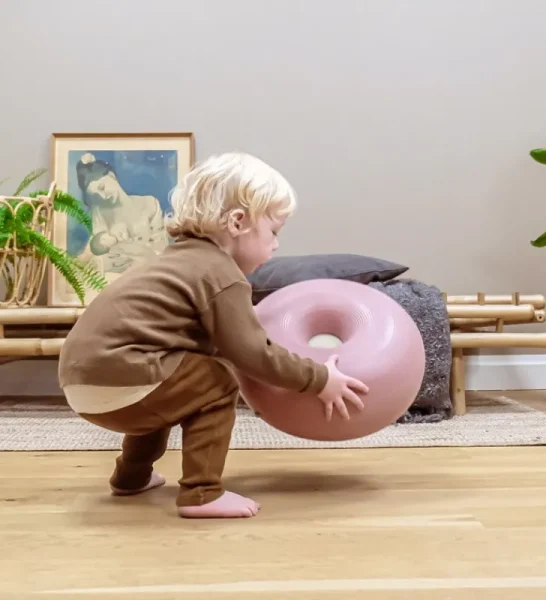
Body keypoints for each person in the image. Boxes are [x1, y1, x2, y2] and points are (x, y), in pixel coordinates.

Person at [58, 151, 369, 519]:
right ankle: (202, 493)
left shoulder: (173, 259)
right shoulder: (221, 274)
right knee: (216, 381)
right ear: (238, 222)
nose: (277, 245)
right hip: (125, 371)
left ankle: (131, 476)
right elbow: (252, 354)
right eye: (274, 231)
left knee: (178, 384)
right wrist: (319, 379)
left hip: (79, 380)